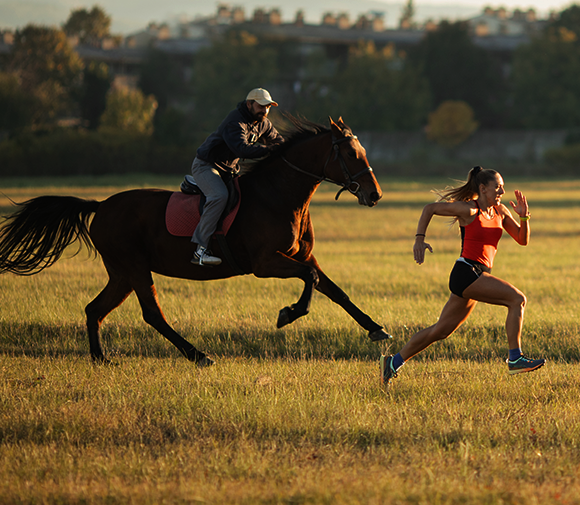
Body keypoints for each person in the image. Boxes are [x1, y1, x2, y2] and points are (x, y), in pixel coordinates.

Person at [381, 166, 545, 387]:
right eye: (498, 187)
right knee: (517, 299)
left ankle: (393, 363)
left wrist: (524, 218)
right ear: (483, 188)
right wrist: (419, 239)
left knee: (441, 330)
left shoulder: (501, 212)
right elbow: (430, 208)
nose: (501, 192)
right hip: (466, 273)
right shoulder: (469, 210)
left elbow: (522, 239)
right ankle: (515, 358)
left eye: (502, 188)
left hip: (478, 275)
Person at [190, 88, 284, 266]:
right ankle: (200, 251)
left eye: (268, 107)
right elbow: (242, 149)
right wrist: (270, 150)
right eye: (261, 106)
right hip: (206, 166)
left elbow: (278, 142)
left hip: (229, 170)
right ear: (249, 104)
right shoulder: (235, 121)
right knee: (219, 196)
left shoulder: (263, 122)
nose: (264, 110)